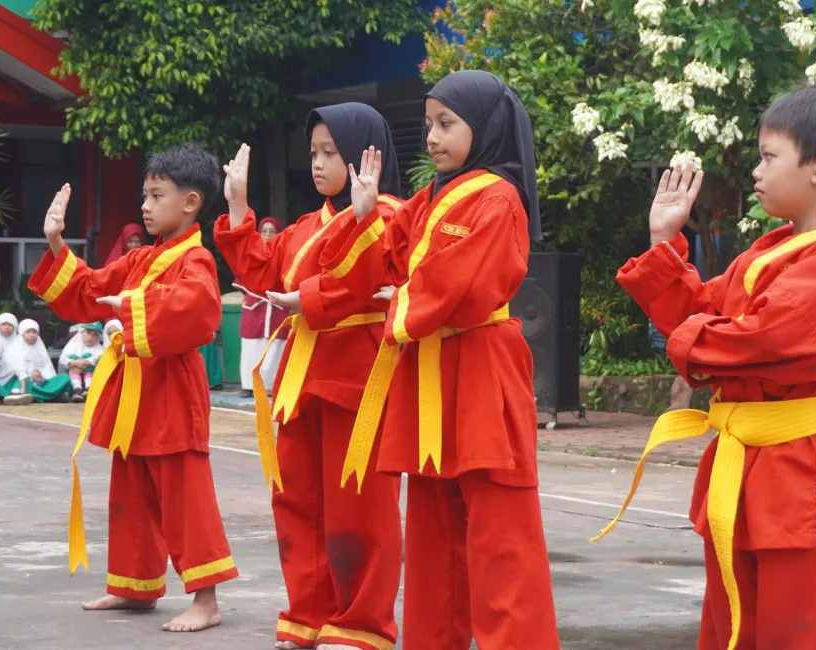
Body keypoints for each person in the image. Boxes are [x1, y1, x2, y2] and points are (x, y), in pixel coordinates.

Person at [601, 85, 816, 650]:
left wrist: (690, 341)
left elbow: (765, 340)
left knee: (807, 634)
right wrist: (664, 240)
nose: (756, 172)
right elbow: (704, 316)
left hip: (806, 473)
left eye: (768, 156)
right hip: (749, 466)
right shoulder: (764, 253)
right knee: (734, 629)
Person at [295, 70, 560, 649]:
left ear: (484, 128)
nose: (433, 137)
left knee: (499, 532)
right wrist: (365, 215)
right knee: (433, 534)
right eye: (428, 124)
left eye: (447, 123)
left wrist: (399, 302)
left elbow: (457, 282)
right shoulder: (430, 196)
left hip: (480, 365)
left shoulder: (498, 197)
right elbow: (383, 266)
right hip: (430, 368)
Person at [214, 103, 404, 650]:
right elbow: (262, 272)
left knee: (360, 507)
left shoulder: (394, 216)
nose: (318, 164)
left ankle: (362, 624)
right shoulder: (305, 226)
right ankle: (308, 615)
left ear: (365, 155)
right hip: (301, 375)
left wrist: (363, 221)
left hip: (359, 376)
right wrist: (238, 205)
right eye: (314, 153)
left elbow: (374, 280)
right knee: (297, 501)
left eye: (330, 153)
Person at [28, 142, 237, 633]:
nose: (145, 205)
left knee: (184, 496)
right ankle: (134, 586)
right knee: (132, 489)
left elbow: (198, 309)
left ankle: (206, 600)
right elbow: (89, 289)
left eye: (156, 195)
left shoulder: (197, 259)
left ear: (190, 203)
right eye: (145, 195)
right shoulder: (142, 259)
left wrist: (132, 308)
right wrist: (56, 243)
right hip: (135, 390)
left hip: (172, 389)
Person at [238, 217, 290, 398]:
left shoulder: (285, 254)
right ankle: (248, 385)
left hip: (277, 306)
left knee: (276, 346)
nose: (268, 235)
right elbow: (244, 276)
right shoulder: (251, 254)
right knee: (251, 347)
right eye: (264, 231)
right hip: (255, 307)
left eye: (272, 231)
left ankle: (271, 385)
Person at [8, 319, 73, 403]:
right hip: (27, 384)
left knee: (65, 377)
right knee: (20, 381)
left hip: (42, 384)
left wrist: (41, 376)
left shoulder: (40, 346)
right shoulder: (14, 348)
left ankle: (36, 396)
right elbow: (14, 371)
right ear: (22, 333)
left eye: (34, 332)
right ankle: (53, 396)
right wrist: (31, 375)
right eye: (28, 332)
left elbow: (48, 369)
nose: (32, 335)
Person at [58, 322, 105, 402]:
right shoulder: (73, 344)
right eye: (88, 333)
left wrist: (85, 363)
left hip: (91, 376)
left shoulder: (100, 349)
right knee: (65, 378)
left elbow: (98, 359)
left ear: (98, 337)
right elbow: (63, 360)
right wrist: (74, 363)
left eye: (94, 335)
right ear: (82, 332)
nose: (90, 337)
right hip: (73, 372)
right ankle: (75, 392)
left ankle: (88, 391)